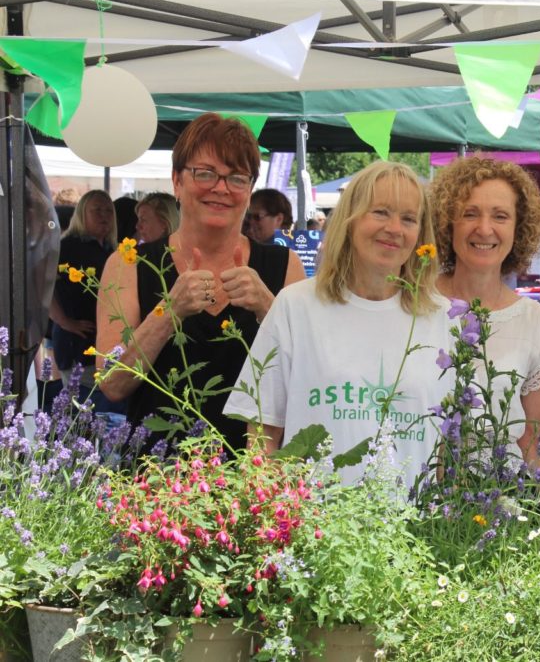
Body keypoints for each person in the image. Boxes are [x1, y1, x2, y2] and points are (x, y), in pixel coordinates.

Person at [224, 161, 455, 488]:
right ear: (350, 219)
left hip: (413, 533)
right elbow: (263, 436)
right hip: (314, 529)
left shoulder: (441, 317)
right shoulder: (296, 306)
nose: (394, 228)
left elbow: (443, 451)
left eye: (408, 218)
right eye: (380, 212)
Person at [95, 113, 305, 454]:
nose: (220, 188)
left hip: (255, 484)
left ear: (250, 190)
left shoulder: (284, 266)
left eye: (236, 178)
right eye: (205, 173)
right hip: (156, 487)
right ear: (177, 181)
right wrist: (170, 310)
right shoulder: (128, 264)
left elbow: (309, 378)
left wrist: (269, 307)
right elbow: (112, 384)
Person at [430, 156, 540, 507]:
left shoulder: (535, 321)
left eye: (500, 216)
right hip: (412, 507)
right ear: (448, 221)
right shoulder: (412, 303)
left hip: (498, 512)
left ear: (518, 228)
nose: (485, 228)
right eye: (470, 213)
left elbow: (536, 437)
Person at [50, 189, 122, 413]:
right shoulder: (67, 246)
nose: (104, 216)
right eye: (97, 210)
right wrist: (63, 321)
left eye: (108, 211)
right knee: (83, 413)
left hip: (105, 346)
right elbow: (42, 285)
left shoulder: (112, 248)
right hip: (77, 347)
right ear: (82, 214)